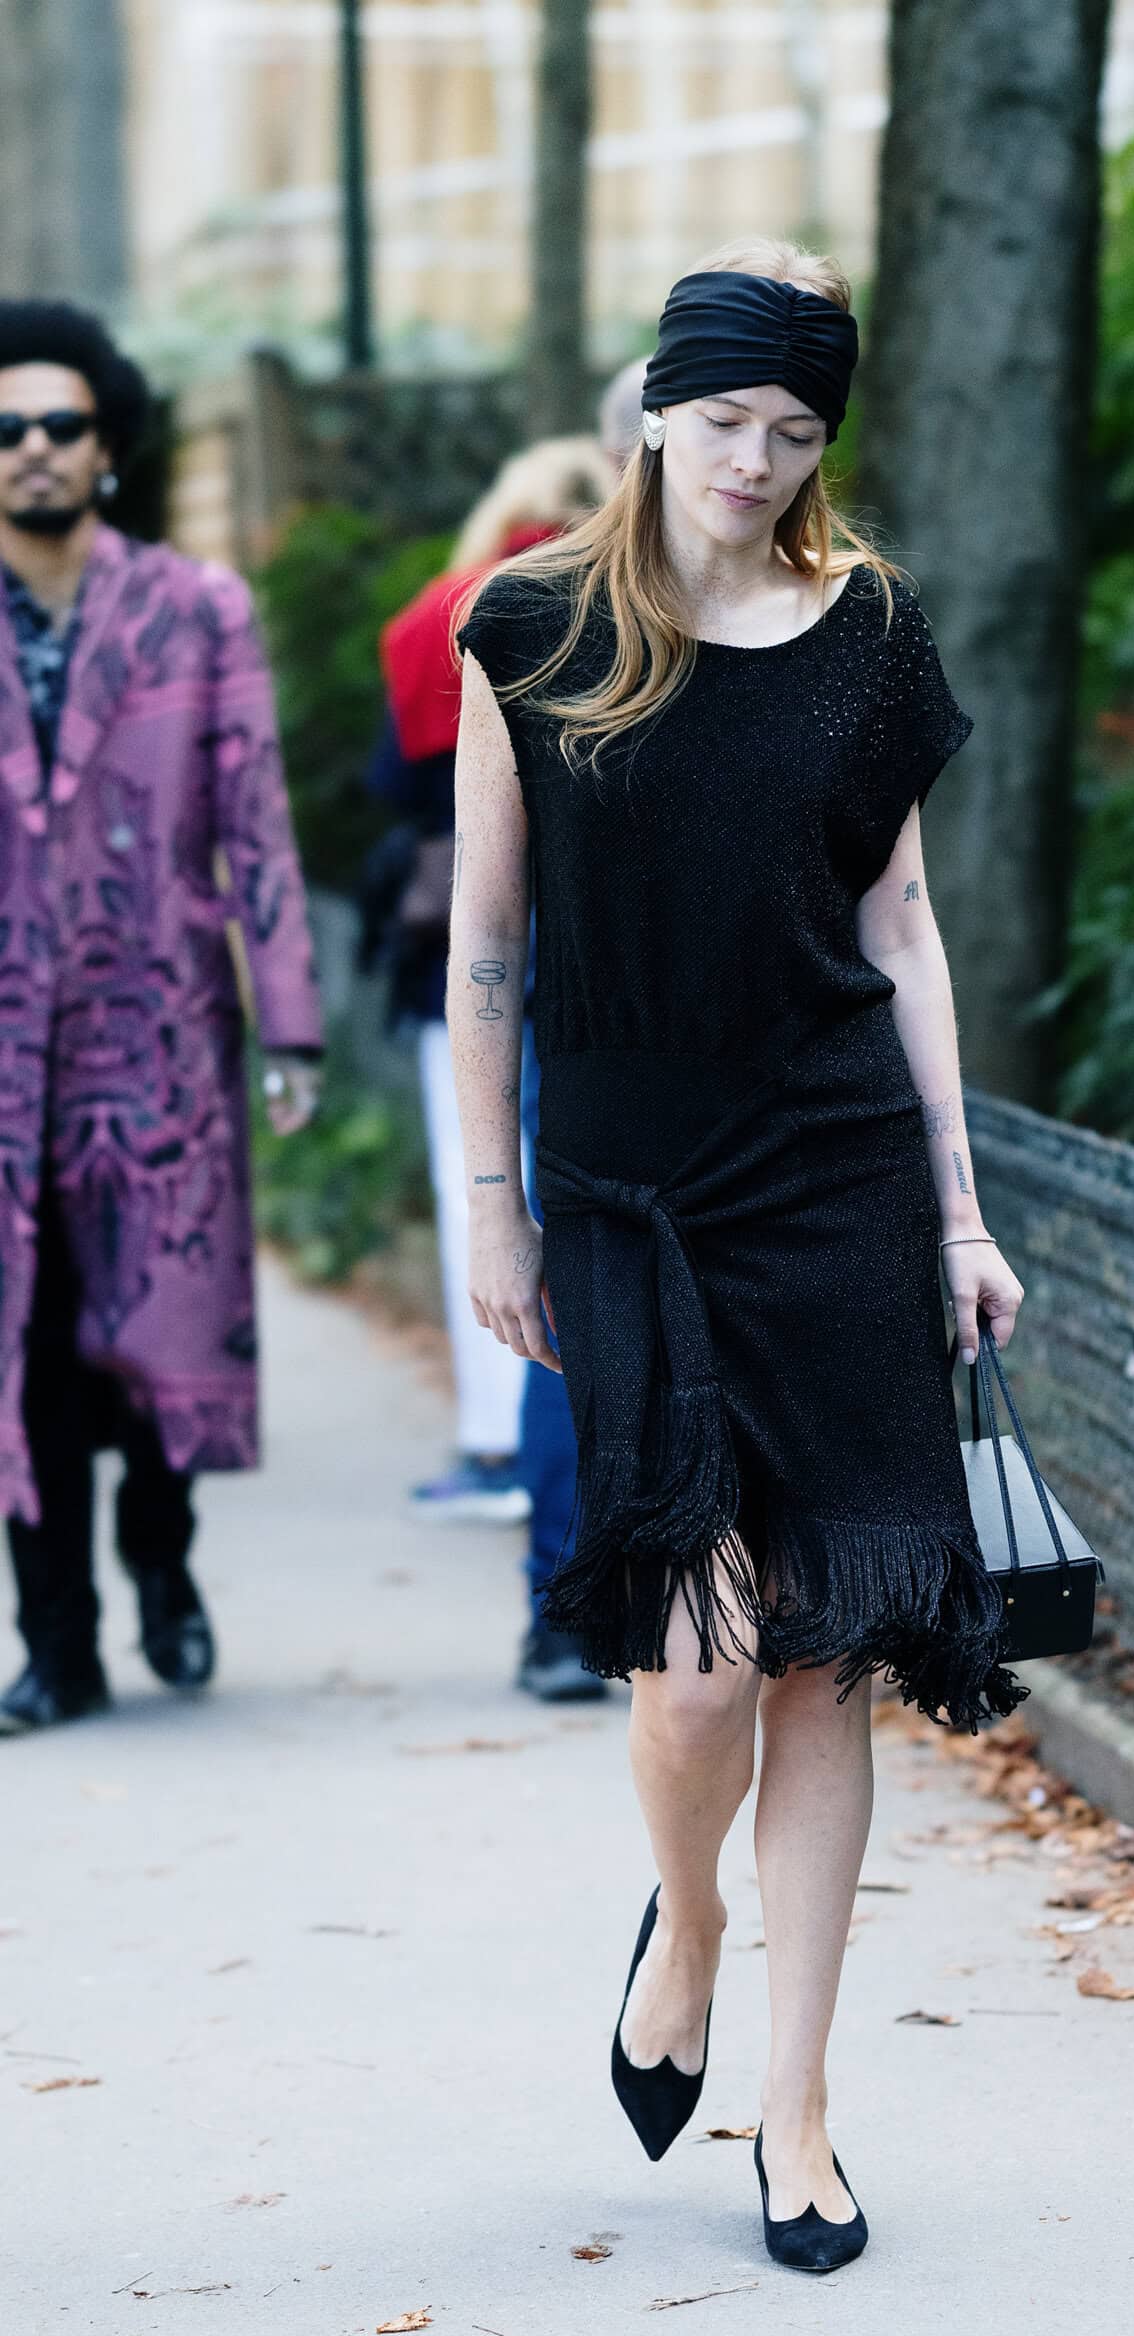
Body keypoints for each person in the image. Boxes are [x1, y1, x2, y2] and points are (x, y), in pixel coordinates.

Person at [448, 239, 1027, 2271]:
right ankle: (683, 1926)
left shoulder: (864, 632)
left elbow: (900, 932)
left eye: (790, 431)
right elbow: (487, 944)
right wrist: (493, 1205)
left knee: (817, 1663)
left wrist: (958, 1210)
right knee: (688, 1678)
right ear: (654, 408)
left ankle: (797, 2104)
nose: (754, 462)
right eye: (722, 422)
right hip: (631, 1202)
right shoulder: (532, 628)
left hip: (835, 1186)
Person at [0, 301, 322, 1736]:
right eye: (6, 428)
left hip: (159, 1039)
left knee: (153, 1332)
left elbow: (257, 824)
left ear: (107, 444)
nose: (33, 449)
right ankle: (56, 1647)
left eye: (60, 424)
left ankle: (161, 1557)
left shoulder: (198, 607)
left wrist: (290, 1025)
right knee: (23, 1347)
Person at [367, 439, 613, 1552]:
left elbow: (392, 780)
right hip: (601, 949)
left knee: (484, 1192)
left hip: (468, 933)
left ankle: (496, 1442)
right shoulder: (628, 607)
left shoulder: (446, 615)